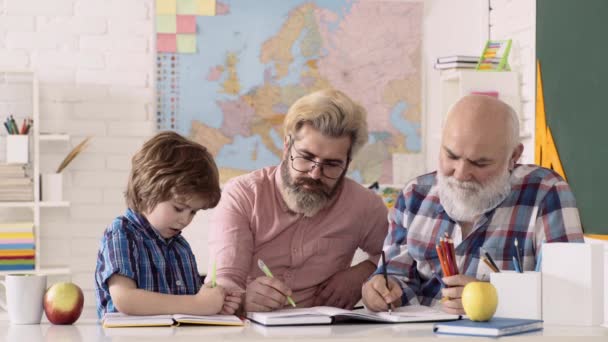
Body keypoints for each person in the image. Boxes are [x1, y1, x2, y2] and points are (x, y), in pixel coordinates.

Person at [361, 95, 584, 315]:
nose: (461, 173)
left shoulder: (546, 194)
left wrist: (493, 298)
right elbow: (397, 278)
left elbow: (571, 296)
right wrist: (381, 291)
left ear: (513, 156)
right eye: (451, 156)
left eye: (480, 163)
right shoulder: (414, 195)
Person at [207, 89, 388, 312]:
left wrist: (362, 273)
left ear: (347, 163)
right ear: (286, 146)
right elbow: (224, 281)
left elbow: (397, 258)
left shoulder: (364, 205)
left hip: (327, 333)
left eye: (331, 164)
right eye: (306, 157)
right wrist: (244, 299)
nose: (315, 174)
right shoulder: (243, 195)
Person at [94, 131, 241, 319]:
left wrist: (215, 302)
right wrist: (198, 304)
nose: (185, 220)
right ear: (146, 192)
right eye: (179, 208)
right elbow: (125, 299)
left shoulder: (181, 247)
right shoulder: (122, 233)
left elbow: (189, 307)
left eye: (193, 212)